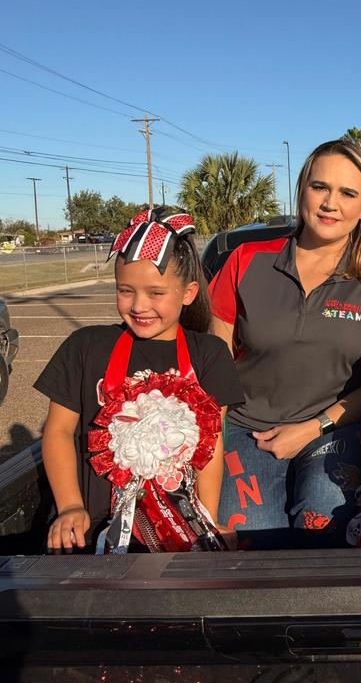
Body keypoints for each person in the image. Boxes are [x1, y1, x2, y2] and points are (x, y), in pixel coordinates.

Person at [208, 138, 361, 548]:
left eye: (347, 193)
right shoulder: (246, 261)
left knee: (323, 530)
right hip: (247, 432)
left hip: (338, 430)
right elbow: (214, 371)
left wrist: (311, 428)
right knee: (250, 546)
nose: (329, 203)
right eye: (320, 187)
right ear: (302, 188)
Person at [35, 207, 244, 553]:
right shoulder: (85, 347)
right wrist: (70, 506)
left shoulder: (209, 354)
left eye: (156, 293)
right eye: (125, 291)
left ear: (188, 293)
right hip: (94, 528)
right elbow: (57, 431)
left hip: (177, 531)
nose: (139, 305)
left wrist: (206, 517)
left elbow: (212, 444)